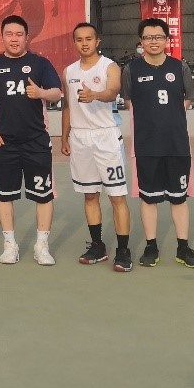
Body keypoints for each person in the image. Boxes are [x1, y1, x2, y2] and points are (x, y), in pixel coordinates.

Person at [0, 14, 63, 265]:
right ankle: (10, 245)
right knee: (4, 195)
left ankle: (41, 245)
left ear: (27, 37)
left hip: (36, 141)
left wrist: (41, 93)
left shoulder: (40, 64)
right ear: (2, 37)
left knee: (43, 194)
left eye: (19, 34)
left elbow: (57, 93)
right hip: (4, 143)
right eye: (9, 34)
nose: (14, 39)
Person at [123, 18, 194, 270]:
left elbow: (188, 98)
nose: (153, 42)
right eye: (148, 37)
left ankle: (183, 247)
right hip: (146, 145)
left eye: (158, 37)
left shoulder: (179, 67)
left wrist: (170, 118)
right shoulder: (131, 70)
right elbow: (129, 102)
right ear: (141, 41)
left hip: (177, 144)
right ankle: (151, 246)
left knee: (179, 198)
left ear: (167, 40)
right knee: (149, 198)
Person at [61, 23, 131, 270]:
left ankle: (123, 250)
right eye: (79, 39)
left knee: (116, 196)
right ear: (74, 42)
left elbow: (113, 92)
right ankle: (97, 245)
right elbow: (68, 106)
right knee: (90, 195)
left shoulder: (109, 66)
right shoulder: (68, 71)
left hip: (106, 138)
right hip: (80, 139)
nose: (84, 43)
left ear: (97, 41)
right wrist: (64, 136)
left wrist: (95, 95)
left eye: (88, 39)